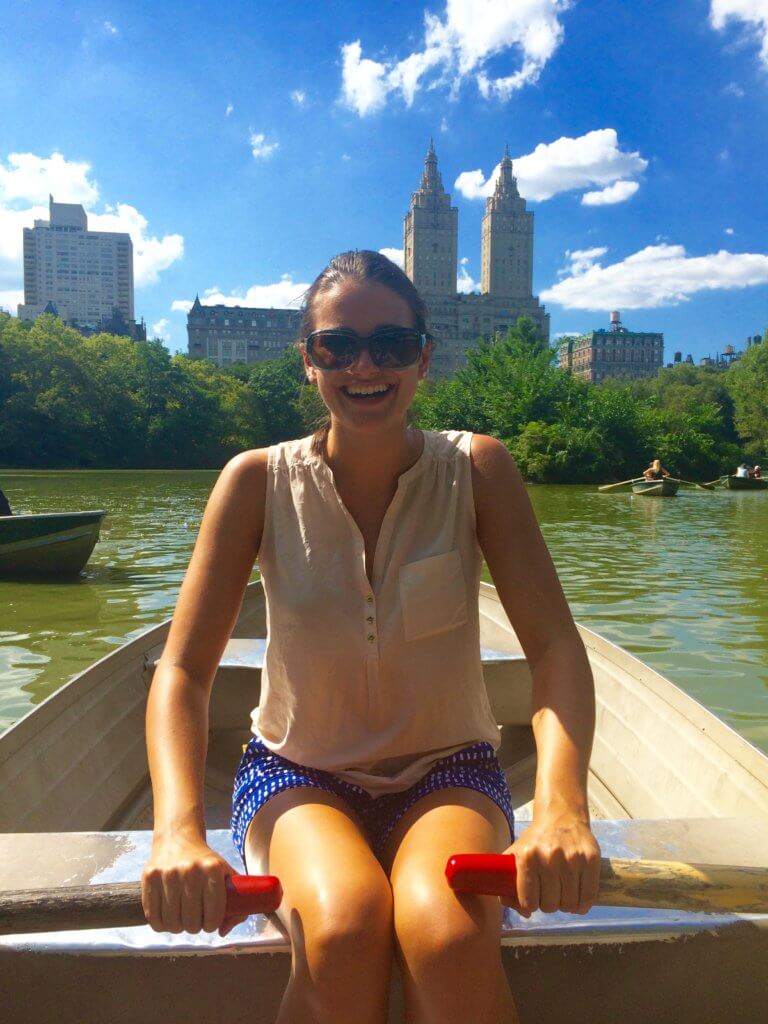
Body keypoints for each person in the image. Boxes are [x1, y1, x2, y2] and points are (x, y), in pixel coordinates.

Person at [141, 251, 600, 1024]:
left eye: (390, 345)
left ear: (423, 358)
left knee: (448, 936)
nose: (365, 365)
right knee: (345, 923)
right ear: (308, 363)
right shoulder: (254, 481)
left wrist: (562, 808)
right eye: (338, 346)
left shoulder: (479, 469)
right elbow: (183, 671)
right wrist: (177, 833)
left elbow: (555, 649)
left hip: (449, 768)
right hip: (297, 774)